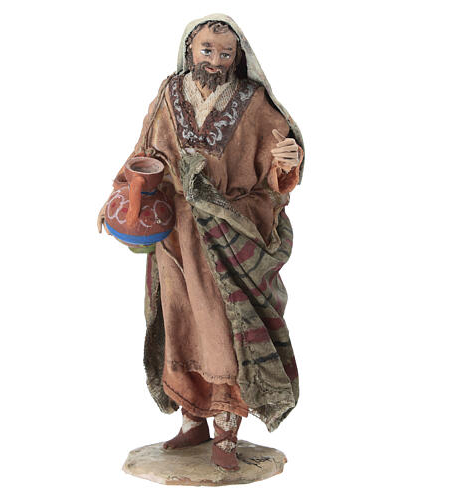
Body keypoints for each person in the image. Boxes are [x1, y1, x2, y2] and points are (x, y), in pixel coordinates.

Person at [98, 13, 304, 471]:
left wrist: (287, 160)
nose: (215, 60)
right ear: (190, 48)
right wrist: (120, 197)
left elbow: (280, 161)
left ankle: (227, 429)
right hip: (174, 236)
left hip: (226, 236)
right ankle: (192, 418)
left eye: (225, 53)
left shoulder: (254, 101)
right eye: (207, 50)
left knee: (224, 329)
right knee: (178, 324)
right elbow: (143, 153)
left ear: (238, 56)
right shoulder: (169, 94)